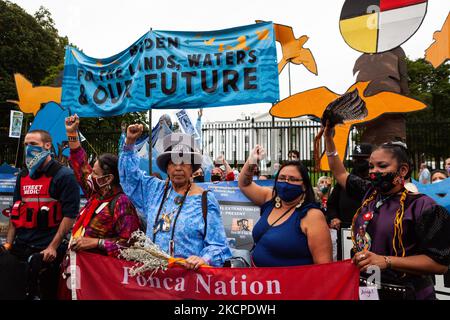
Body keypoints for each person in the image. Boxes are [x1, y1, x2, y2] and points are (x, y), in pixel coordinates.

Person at [324, 123, 450, 300]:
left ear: (403, 170)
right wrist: (329, 138)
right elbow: (339, 172)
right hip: (368, 292)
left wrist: (386, 261)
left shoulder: (424, 207)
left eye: (382, 166)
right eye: (371, 166)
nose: (374, 172)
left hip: (409, 294)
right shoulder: (369, 192)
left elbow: (440, 264)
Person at [119, 124, 232, 269]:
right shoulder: (154, 190)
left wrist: (203, 259)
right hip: (152, 279)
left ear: (192, 168)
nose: (178, 168)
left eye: (184, 163)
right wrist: (129, 143)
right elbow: (129, 178)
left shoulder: (205, 200)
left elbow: (218, 245)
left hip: (186, 281)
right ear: (167, 168)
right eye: (173, 163)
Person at [0, 129, 80, 300]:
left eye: (33, 144)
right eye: (26, 145)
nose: (29, 148)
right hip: (22, 244)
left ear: (47, 145)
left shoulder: (64, 175)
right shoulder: (23, 176)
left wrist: (52, 246)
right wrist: (8, 244)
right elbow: (16, 212)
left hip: (48, 248)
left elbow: (70, 215)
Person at [238, 145, 332, 267]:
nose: (286, 182)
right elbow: (244, 184)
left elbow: (324, 266)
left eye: (292, 179)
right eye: (282, 178)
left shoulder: (312, 216)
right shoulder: (270, 197)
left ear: (304, 185)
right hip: (258, 282)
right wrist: (252, 160)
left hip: (290, 284)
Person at [65, 115, 142, 258]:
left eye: (94, 173)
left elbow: (132, 245)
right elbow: (80, 166)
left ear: (107, 178)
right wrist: (72, 133)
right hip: (80, 269)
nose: (90, 176)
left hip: (101, 273)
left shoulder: (121, 202)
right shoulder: (96, 194)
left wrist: (97, 243)